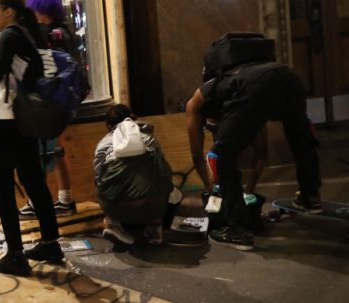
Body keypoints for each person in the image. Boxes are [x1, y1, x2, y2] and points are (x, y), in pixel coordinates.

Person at [186, 61, 322, 251]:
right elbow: (261, 152)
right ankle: (310, 197)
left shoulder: (195, 104)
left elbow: (197, 155)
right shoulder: (238, 90)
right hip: (290, 78)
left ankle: (238, 231)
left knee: (220, 155)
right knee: (301, 134)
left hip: (261, 86)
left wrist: (213, 189)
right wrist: (246, 191)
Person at [0, 0, 62, 276]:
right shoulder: (31, 34)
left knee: (1, 185)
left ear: (9, 12)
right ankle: (50, 243)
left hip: (6, 120)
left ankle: (15, 254)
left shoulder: (10, 36)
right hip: (26, 120)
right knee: (34, 181)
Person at [17, 0, 86, 218]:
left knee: (45, 151)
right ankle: (65, 199)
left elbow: (48, 67)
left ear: (43, 13)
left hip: (51, 100)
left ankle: (40, 202)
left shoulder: (52, 35)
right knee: (55, 149)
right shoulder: (63, 33)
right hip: (62, 99)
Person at [94, 104, 173, 246]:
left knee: (99, 184)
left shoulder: (103, 144)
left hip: (117, 208)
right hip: (153, 206)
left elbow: (99, 179)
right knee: (160, 177)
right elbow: (165, 172)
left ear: (108, 126)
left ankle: (113, 224)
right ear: (133, 117)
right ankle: (155, 227)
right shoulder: (150, 139)